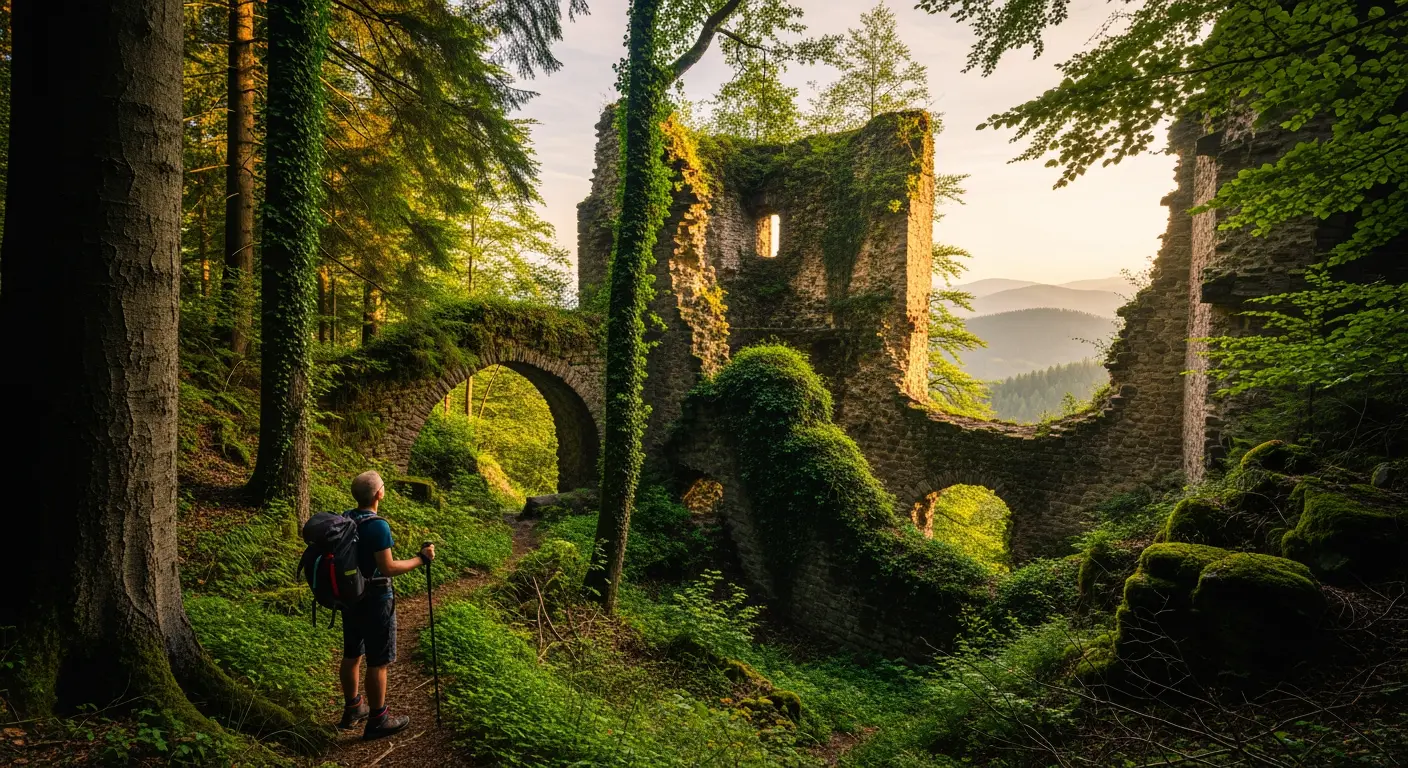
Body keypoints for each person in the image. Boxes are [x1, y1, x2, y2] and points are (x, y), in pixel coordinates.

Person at [338, 470, 436, 740]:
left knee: (352, 653)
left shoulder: (346, 518)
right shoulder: (378, 526)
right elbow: (388, 567)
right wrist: (421, 559)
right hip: (376, 599)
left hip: (350, 596)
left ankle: (353, 708)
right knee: (378, 660)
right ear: (379, 494)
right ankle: (378, 720)